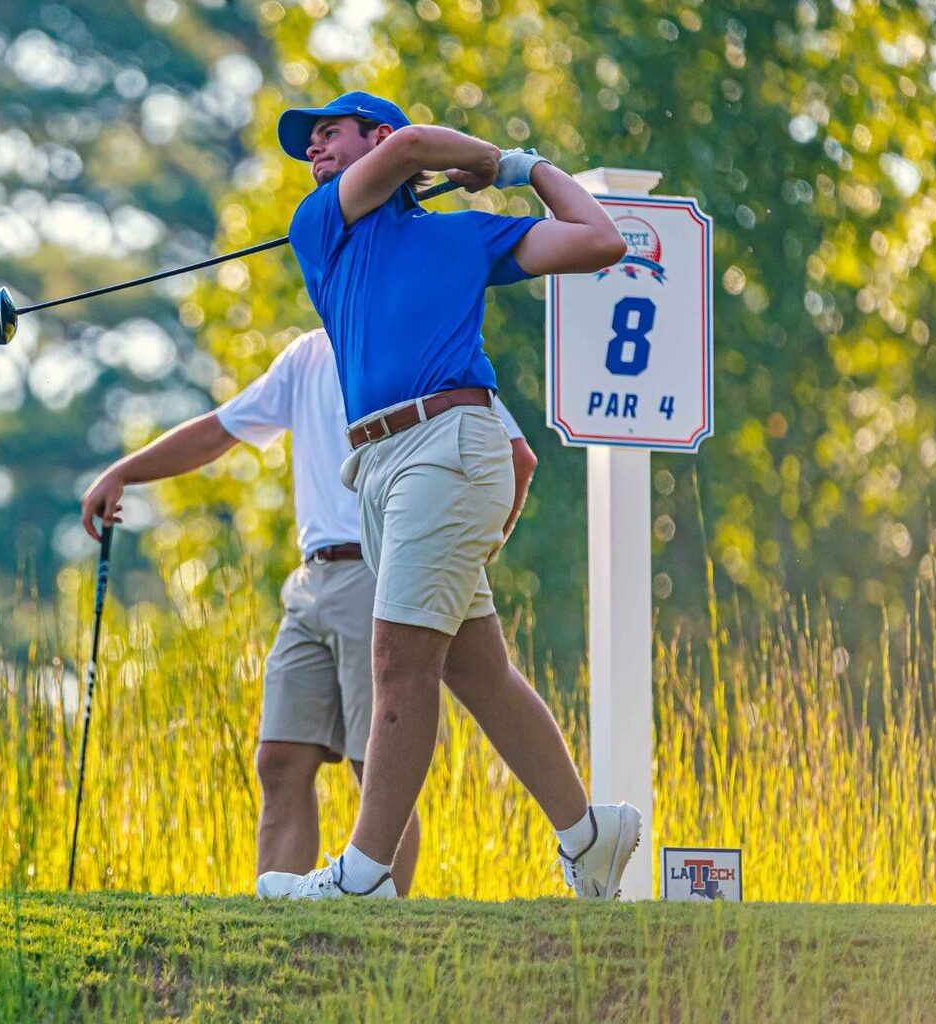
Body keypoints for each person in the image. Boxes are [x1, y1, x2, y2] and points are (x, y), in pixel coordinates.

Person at [255, 92, 639, 901]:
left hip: (450, 445)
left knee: (398, 657)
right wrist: (475, 161)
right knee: (477, 668)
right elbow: (417, 147)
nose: (315, 151)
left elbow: (602, 240)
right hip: (380, 467)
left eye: (331, 134)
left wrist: (519, 167)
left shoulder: (465, 236)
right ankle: (590, 833)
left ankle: (363, 875)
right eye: (310, 144)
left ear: (377, 136)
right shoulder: (323, 225)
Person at [80, 328, 538, 893]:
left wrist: (463, 557)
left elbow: (516, 456)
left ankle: (378, 923)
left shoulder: (420, 340)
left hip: (382, 571)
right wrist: (125, 472)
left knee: (378, 768)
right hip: (309, 583)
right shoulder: (306, 354)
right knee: (279, 758)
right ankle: (280, 929)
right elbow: (219, 430)